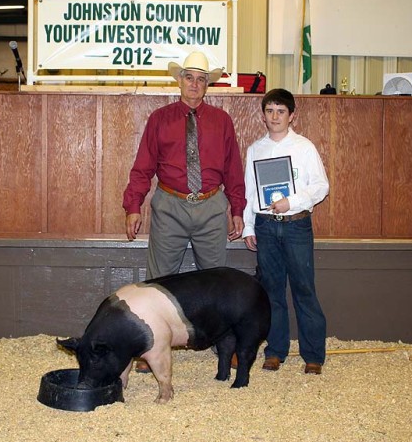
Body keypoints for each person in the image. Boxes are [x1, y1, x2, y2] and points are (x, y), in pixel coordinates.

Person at [122, 51, 247, 372]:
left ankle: (225, 347)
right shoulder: (159, 119)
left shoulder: (222, 122)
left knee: (218, 282)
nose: (194, 84)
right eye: (189, 77)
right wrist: (133, 206)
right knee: (159, 281)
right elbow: (142, 167)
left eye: (201, 79)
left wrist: (237, 208)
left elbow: (234, 169)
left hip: (211, 205)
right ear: (179, 81)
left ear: (208, 85)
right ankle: (151, 347)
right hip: (169, 205)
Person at [242, 88, 330, 375]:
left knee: (304, 290)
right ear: (263, 116)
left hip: (296, 225)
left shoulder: (304, 147)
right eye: (270, 111)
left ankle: (313, 355)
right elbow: (249, 192)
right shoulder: (255, 149)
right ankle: (275, 351)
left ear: (292, 116)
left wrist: (290, 202)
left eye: (281, 111)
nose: (275, 116)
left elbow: (321, 187)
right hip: (266, 227)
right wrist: (248, 226)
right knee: (272, 293)